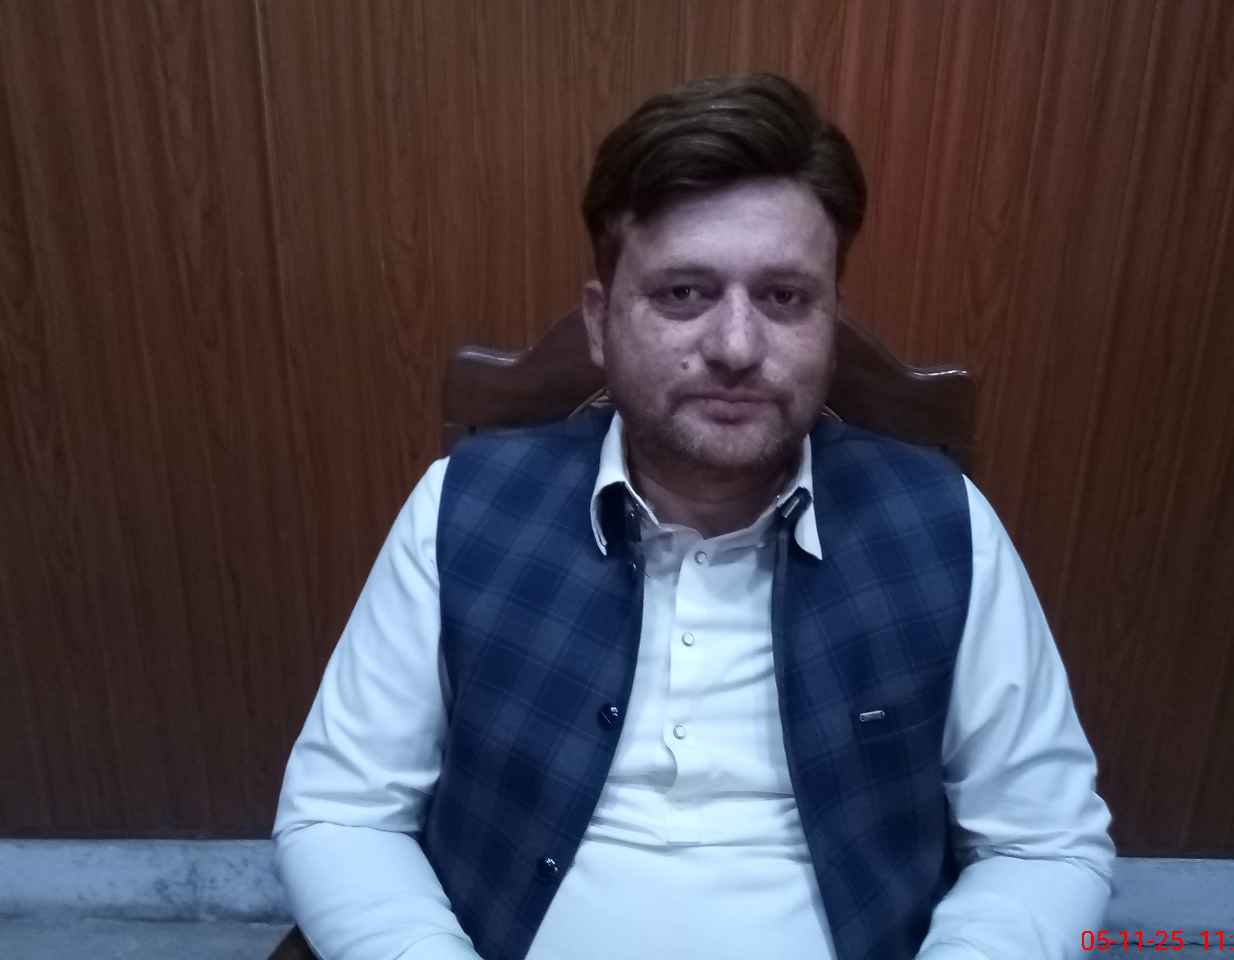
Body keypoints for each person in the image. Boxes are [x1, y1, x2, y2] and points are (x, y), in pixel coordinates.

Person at [273, 73, 1114, 960]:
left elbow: (1043, 842)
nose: (736, 347)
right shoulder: (462, 507)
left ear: (831, 319)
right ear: (600, 322)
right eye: (683, 293)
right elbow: (343, 810)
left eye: (784, 298)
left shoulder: (942, 527)